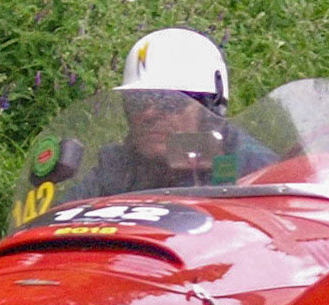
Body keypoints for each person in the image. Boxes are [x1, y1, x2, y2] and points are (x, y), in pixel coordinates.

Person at [71, 27, 270, 198]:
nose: (148, 113)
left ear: (210, 107)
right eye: (137, 101)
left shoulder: (254, 168)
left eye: (168, 103)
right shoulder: (116, 168)